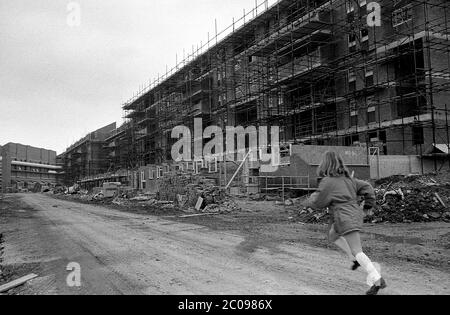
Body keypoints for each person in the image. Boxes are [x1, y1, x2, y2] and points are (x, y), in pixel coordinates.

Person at [303, 151, 387, 295]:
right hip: (350, 215)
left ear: (325, 164)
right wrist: (368, 205)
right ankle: (353, 258)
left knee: (357, 250)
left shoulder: (328, 181)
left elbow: (319, 202)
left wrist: (309, 200)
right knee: (332, 235)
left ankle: (377, 279)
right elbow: (367, 187)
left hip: (344, 217)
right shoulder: (349, 180)